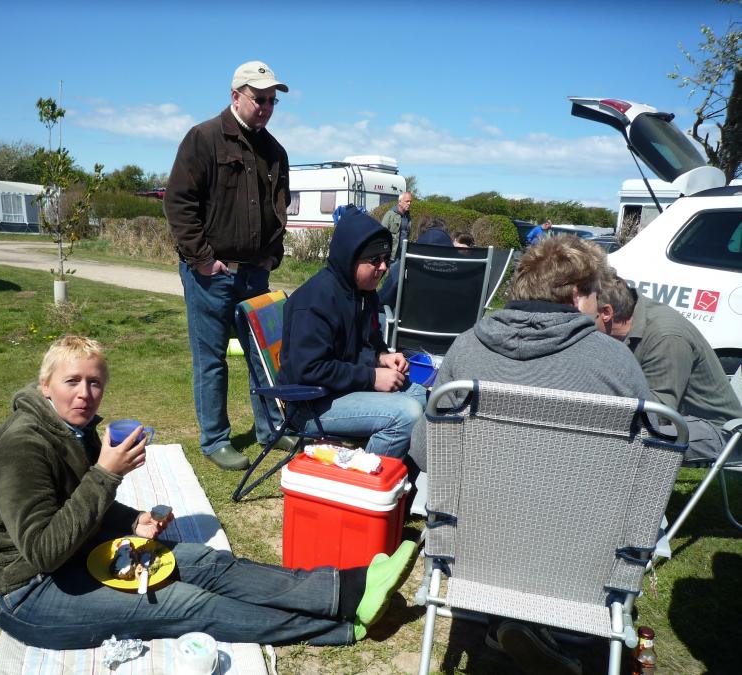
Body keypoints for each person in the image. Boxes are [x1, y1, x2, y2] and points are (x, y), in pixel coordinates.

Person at [0, 336, 418, 649]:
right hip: (27, 593)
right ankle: (337, 626)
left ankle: (347, 589)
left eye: (95, 382)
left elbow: (74, 503)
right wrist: (105, 473)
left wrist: (131, 520)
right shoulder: (22, 447)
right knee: (189, 605)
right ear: (45, 386)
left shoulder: (74, 428)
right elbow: (44, 551)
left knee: (205, 562)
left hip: (77, 554)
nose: (85, 394)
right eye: (72, 382)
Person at [408, 236, 650, 675]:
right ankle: (551, 633)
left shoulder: (467, 348)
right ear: (576, 295)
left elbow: (425, 452)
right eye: (596, 296)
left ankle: (505, 627)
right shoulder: (616, 364)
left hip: (476, 548)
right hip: (577, 562)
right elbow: (645, 475)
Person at [164, 61, 290, 471]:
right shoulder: (203, 138)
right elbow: (178, 203)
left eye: (271, 101)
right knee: (212, 359)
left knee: (263, 358)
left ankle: (271, 429)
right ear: (236, 96)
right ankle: (215, 439)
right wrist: (202, 260)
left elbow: (281, 209)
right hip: (211, 275)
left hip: (255, 273)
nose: (266, 107)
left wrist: (273, 254)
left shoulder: (275, 151)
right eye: (259, 99)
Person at [277, 210, 427, 459]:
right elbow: (309, 369)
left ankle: (400, 470)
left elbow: (368, 341)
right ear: (350, 258)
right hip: (310, 403)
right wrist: (372, 377)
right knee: (407, 414)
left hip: (343, 389)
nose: (383, 267)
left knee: (421, 395)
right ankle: (364, 478)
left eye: (385, 259)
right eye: (374, 260)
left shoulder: (364, 293)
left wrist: (382, 356)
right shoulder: (315, 301)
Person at [595, 270, 742, 464]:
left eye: (579, 310)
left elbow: (658, 414)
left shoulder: (666, 337)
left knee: (612, 440)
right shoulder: (630, 317)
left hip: (721, 433)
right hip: (678, 421)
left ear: (606, 313)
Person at [378, 216, 454, 310]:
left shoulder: (407, 262)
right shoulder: (464, 266)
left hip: (410, 319)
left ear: (421, 236)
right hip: (455, 319)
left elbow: (383, 299)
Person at [381, 191, 413, 261]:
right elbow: (382, 235)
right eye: (407, 201)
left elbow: (408, 234)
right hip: (391, 256)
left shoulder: (408, 217)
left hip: (403, 255)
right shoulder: (390, 215)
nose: (409, 203)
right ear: (400, 202)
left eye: (410, 201)